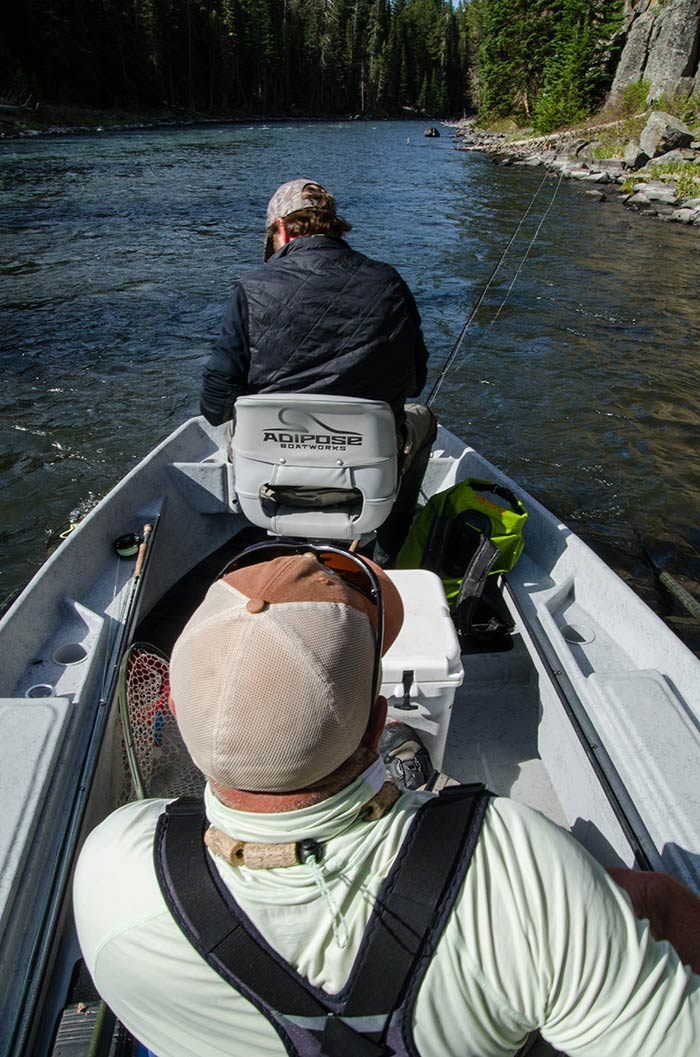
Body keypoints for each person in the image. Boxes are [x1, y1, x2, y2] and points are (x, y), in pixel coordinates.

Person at [74, 548, 700, 1057]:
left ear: (177, 713)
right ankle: (404, 777)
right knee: (656, 899)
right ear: (378, 723)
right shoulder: (517, 855)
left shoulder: (112, 861)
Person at [200, 179, 437, 561]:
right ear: (333, 224)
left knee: (239, 417)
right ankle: (390, 551)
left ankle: (271, 533)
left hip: (271, 479)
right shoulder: (388, 281)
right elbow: (415, 384)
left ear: (279, 228)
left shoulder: (250, 287)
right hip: (365, 478)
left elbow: (214, 405)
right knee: (424, 419)